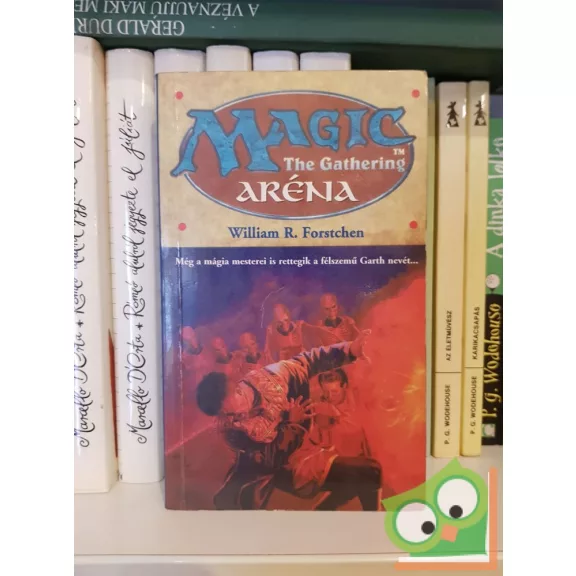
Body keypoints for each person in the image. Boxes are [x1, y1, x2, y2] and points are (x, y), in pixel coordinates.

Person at [195, 331, 371, 509]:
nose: (236, 418)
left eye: (234, 410)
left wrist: (350, 350)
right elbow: (270, 459)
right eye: (227, 414)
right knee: (366, 473)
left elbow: (307, 362)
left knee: (366, 473)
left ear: (238, 390)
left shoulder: (271, 378)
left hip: (304, 451)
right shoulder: (230, 428)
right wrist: (292, 424)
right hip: (285, 467)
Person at [293, 368, 382, 511]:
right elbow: (317, 442)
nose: (329, 396)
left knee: (368, 475)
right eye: (326, 392)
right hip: (329, 463)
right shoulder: (320, 410)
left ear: (344, 386)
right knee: (370, 473)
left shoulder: (357, 406)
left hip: (357, 463)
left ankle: (323, 509)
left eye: (334, 392)